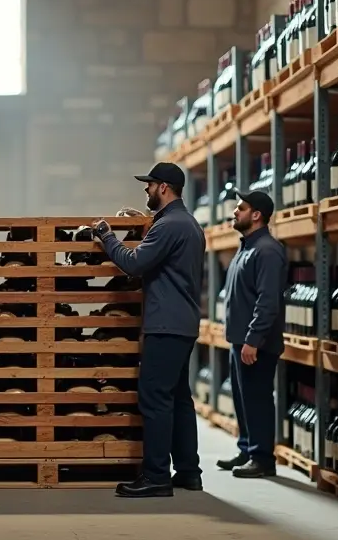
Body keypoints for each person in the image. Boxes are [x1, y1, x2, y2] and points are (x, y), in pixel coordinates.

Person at [92, 161, 205, 498]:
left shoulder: (169, 225)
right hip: (183, 323)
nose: (146, 189)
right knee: (179, 399)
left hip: (165, 323)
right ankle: (188, 472)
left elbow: (134, 263)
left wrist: (106, 236)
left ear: (164, 188)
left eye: (150, 184)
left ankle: (156, 476)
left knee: (154, 398)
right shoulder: (187, 223)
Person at [219, 189, 288, 479]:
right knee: (243, 399)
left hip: (255, 344)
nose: (235, 211)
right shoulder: (246, 247)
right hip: (240, 340)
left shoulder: (267, 250)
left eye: (241, 208)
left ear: (256, 215)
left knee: (257, 399)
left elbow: (268, 301)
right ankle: (247, 449)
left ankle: (262, 459)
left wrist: (253, 339)